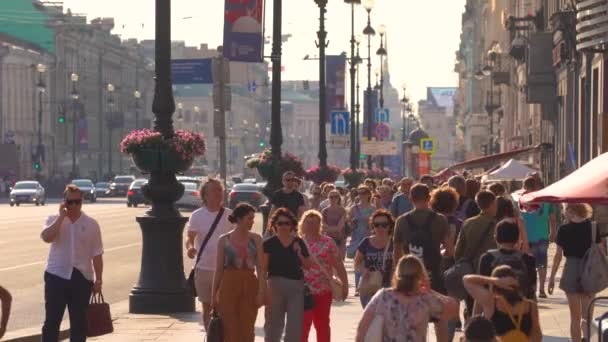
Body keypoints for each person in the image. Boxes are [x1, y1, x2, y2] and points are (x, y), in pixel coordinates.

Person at [40, 184, 104, 342]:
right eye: (70, 202)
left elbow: (97, 254)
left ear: (82, 201)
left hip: (82, 279)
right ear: (64, 202)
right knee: (52, 321)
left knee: (79, 324)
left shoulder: (91, 224)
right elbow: (47, 237)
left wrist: (99, 280)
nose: (74, 205)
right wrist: (61, 217)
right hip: (56, 277)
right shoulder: (53, 219)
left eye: (78, 202)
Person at [355, 255, 459, 342]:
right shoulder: (425, 299)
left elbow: (362, 327)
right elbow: (454, 309)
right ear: (421, 276)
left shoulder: (383, 296)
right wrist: (430, 290)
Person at [548, 203, 603, 342]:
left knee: (574, 317)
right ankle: (587, 339)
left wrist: (552, 277)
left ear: (572, 211)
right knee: (587, 316)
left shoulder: (563, 229)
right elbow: (600, 251)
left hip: (571, 270)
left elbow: (558, 256)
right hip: (589, 271)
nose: (564, 211)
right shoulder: (593, 227)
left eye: (566, 208)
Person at [211, 203, 265, 342]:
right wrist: (213, 295)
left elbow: (260, 268)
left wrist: (261, 292)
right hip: (228, 283)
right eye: (249, 218)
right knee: (230, 327)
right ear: (239, 219)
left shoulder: (256, 239)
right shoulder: (223, 240)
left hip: (250, 283)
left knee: (247, 326)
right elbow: (218, 269)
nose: (252, 221)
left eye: (253, 218)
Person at [185, 178, 233, 328]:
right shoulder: (197, 215)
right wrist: (190, 248)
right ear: (205, 195)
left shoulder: (230, 215)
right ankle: (210, 336)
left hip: (224, 270)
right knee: (207, 306)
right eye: (214, 190)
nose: (219, 193)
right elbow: (190, 238)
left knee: (222, 307)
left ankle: (222, 337)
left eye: (220, 190)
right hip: (203, 268)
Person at [299, 210, 349, 342]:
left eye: (315, 222)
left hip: (323, 290)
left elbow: (339, 265)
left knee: (322, 325)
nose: (311, 226)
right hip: (302, 291)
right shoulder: (298, 242)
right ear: (302, 224)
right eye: (308, 222)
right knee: (302, 327)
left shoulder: (328, 242)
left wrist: (345, 286)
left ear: (320, 224)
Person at [263, 208, 312, 342]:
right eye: (280, 223)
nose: (284, 226)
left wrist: (299, 254)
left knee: (295, 325)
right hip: (274, 285)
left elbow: (308, 265)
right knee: (273, 324)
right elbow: (263, 268)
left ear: (292, 225)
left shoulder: (299, 242)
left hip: (296, 286)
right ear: (274, 225)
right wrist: (262, 290)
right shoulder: (268, 243)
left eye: (287, 223)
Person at [393, 184, 451, 293]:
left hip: (409, 274)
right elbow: (449, 248)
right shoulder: (440, 219)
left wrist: (398, 272)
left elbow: (396, 250)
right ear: (429, 198)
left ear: (410, 199)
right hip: (434, 272)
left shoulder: (401, 221)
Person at [463, 266, 542, 342]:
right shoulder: (530, 305)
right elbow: (537, 335)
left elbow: (466, 280)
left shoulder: (491, 302)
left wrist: (493, 280)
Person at [455, 190, 497, 318]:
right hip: (491, 272)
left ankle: (471, 331)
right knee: (491, 307)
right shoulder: (497, 225)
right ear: (492, 204)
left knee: (472, 306)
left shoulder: (468, 223)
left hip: (471, 271)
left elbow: (458, 251)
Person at [478, 219, 537, 300]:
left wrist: (476, 312)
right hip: (521, 309)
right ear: (517, 238)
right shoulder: (528, 259)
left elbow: (482, 290)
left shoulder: (487, 258)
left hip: (494, 308)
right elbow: (532, 290)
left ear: (496, 237)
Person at [519, 176, 556, 298]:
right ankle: (541, 290)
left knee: (529, 264)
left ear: (525, 186)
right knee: (542, 263)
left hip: (527, 236)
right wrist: (553, 231)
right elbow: (552, 217)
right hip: (542, 235)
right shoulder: (545, 200)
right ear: (537, 186)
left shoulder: (521, 200)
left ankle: (532, 290)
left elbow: (518, 219)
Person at [354, 209, 395, 307]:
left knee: (386, 320)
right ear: (373, 226)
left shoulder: (395, 243)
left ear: (390, 226)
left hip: (389, 287)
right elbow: (357, 262)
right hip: (369, 285)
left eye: (384, 225)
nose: (380, 228)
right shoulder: (366, 242)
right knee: (370, 319)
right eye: (377, 225)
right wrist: (363, 270)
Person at [347, 185, 376, 292]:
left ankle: (367, 284)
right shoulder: (353, 208)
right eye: (359, 193)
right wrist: (352, 223)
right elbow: (349, 225)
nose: (361, 195)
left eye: (364, 193)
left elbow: (376, 224)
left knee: (368, 262)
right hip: (356, 238)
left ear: (369, 194)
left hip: (369, 238)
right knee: (358, 262)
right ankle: (357, 287)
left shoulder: (373, 209)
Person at [321, 190, 347, 260]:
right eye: (331, 197)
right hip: (327, 239)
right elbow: (323, 226)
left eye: (336, 197)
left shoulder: (342, 210)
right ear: (328, 198)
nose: (333, 198)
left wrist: (328, 228)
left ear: (339, 198)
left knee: (340, 261)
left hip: (340, 239)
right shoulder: (325, 211)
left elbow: (339, 228)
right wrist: (332, 229)